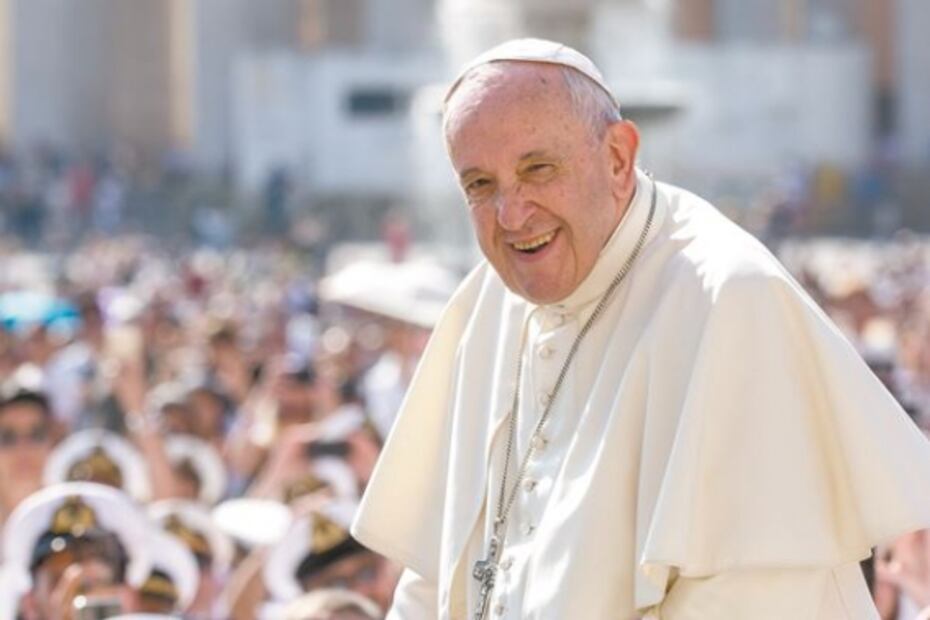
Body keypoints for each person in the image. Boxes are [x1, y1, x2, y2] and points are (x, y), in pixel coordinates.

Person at [350, 38, 930, 619]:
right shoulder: (486, 302)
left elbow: (750, 599)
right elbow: (434, 578)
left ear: (618, 159)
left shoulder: (727, 298)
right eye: (479, 185)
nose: (511, 214)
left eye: (538, 169)